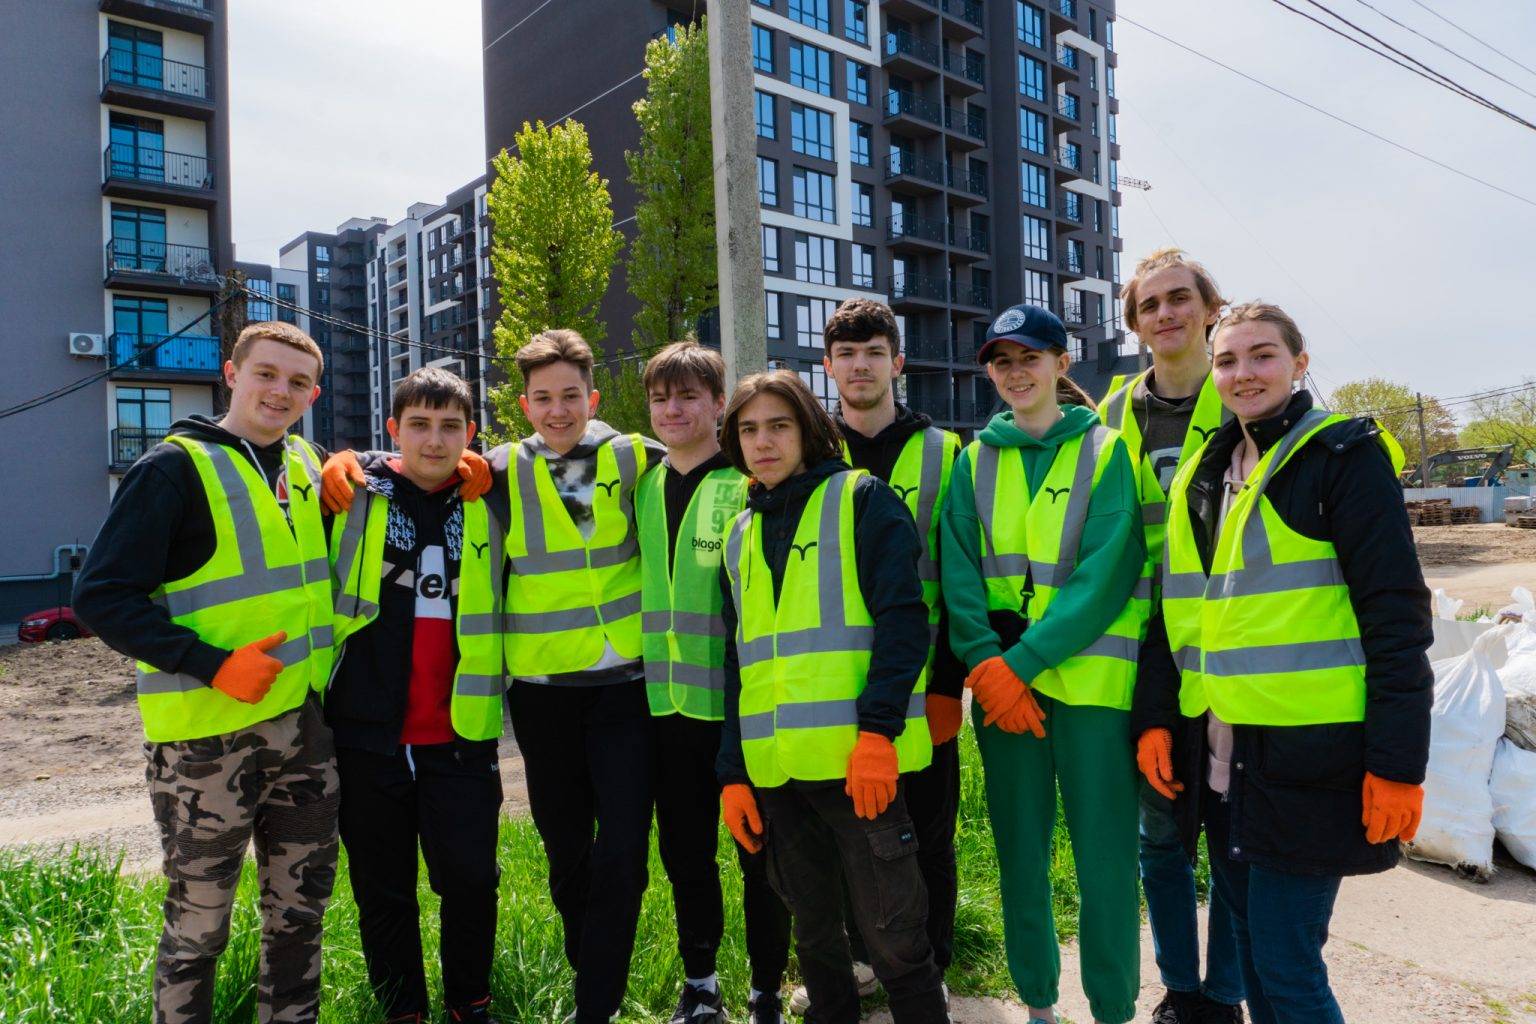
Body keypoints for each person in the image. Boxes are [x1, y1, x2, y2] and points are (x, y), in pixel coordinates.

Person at [1134, 303, 1432, 1024]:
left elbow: (1396, 618)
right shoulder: (1206, 471)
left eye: (1262, 356)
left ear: (1300, 364)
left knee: (1286, 963)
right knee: (1250, 944)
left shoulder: (1341, 457)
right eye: (1228, 360)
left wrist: (1399, 764)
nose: (1244, 374)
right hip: (1223, 756)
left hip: (1312, 758)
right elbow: (1177, 608)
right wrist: (1154, 718)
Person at [72, 321, 340, 1024]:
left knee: (299, 914)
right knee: (198, 927)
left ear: (313, 393)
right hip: (205, 745)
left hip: (303, 734)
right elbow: (100, 596)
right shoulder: (172, 469)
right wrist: (212, 665)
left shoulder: (309, 466)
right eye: (266, 374)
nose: (280, 392)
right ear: (232, 373)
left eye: (297, 382)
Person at [715, 371, 949, 1024]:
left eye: (779, 425)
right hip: (778, 774)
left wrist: (877, 737)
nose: (763, 442)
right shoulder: (739, 535)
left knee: (896, 943)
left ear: (809, 429)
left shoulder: (862, 500)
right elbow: (739, 664)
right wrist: (733, 773)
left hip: (858, 767)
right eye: (748, 429)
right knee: (815, 942)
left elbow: (905, 623)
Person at [940, 305, 1147, 1024]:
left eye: (1031, 356)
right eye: (1001, 360)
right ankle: (1037, 1005)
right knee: (1021, 856)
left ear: (1063, 364)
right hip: (1005, 697)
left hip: (1089, 690)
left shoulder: (1107, 451)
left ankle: (1114, 1008)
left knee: (1106, 862)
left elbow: (1107, 573)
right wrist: (986, 666)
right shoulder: (972, 461)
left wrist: (1015, 665)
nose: (1016, 371)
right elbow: (958, 576)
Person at [483, 329, 664, 1024]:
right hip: (542, 695)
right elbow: (417, 463)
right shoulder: (496, 468)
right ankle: (594, 972)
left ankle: (595, 1009)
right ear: (524, 404)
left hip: (625, 686)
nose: (557, 411)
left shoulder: (634, 455)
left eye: (569, 396)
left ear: (591, 397)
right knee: (565, 853)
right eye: (542, 398)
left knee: (623, 850)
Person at [320, 366, 506, 1024]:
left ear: (471, 434)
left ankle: (470, 1003)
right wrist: (350, 460)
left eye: (450, 426)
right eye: (419, 426)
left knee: (472, 882)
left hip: (461, 736)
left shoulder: (492, 499)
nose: (435, 440)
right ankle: (403, 1010)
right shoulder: (353, 493)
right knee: (383, 890)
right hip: (367, 735)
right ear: (395, 430)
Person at [792, 298, 961, 1014]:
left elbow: (960, 577)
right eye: (845, 354)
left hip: (924, 689)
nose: (859, 366)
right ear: (827, 368)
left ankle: (931, 968)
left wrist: (951, 683)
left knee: (925, 836)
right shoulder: (807, 454)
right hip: (833, 687)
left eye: (873, 353)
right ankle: (861, 965)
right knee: (845, 840)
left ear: (898, 363)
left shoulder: (946, 453)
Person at [1100, 248, 1244, 1024]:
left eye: (1179, 298)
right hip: (1142, 647)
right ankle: (1180, 989)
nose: (1166, 314)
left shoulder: (1249, 395)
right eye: (1149, 305)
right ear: (1135, 324)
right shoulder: (1114, 412)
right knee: (1160, 834)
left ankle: (1224, 994)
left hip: (1228, 638)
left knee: (1229, 837)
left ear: (1209, 308)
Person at [635, 341, 792, 1024]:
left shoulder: (747, 484)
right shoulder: (641, 481)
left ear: (718, 405)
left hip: (741, 712)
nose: (673, 409)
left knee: (761, 859)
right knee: (686, 858)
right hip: (666, 712)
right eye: (661, 397)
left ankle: (765, 991)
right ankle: (701, 986)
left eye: (688, 396)